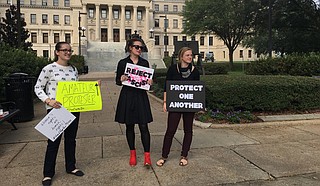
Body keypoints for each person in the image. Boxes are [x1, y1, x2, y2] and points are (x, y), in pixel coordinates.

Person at [34, 42, 84, 186]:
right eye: (64, 50)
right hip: (56, 109)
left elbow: (77, 88)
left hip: (73, 108)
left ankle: (71, 167)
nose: (67, 53)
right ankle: (48, 174)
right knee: (53, 142)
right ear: (57, 52)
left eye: (69, 50)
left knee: (71, 139)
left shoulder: (73, 69)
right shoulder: (48, 68)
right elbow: (38, 87)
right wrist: (48, 100)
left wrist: (92, 88)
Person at [156, 47, 200, 167]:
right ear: (181, 57)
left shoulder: (195, 71)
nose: (190, 57)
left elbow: (197, 90)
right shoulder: (172, 69)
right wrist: (165, 102)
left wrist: (198, 104)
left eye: (191, 55)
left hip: (189, 105)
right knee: (170, 130)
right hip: (175, 104)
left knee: (188, 130)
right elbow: (166, 86)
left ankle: (184, 155)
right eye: (187, 55)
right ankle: (164, 156)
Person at [115, 37, 153, 167]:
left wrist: (150, 83)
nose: (139, 49)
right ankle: (133, 153)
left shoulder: (144, 63)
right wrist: (121, 78)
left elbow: (148, 82)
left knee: (144, 126)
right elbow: (118, 81)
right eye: (137, 47)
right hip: (128, 96)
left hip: (140, 96)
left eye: (141, 47)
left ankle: (147, 155)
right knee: (129, 125)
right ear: (130, 48)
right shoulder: (122, 63)